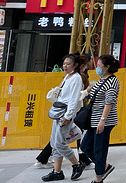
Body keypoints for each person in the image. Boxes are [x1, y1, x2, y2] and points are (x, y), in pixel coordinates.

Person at [36, 55, 92, 170]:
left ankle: (76, 164)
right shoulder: (68, 76)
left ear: (76, 65)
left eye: (68, 64)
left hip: (66, 114)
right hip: (60, 112)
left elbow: (73, 99)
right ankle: (61, 169)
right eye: (64, 63)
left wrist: (68, 115)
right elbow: (69, 97)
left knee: (58, 143)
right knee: (56, 142)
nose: (65, 66)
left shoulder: (76, 78)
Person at [80, 55, 121, 183]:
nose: (97, 67)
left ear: (107, 67)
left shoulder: (112, 81)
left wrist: (102, 120)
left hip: (104, 120)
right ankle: (104, 167)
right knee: (85, 146)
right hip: (94, 120)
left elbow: (109, 102)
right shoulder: (102, 79)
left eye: (99, 65)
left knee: (99, 149)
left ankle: (98, 178)